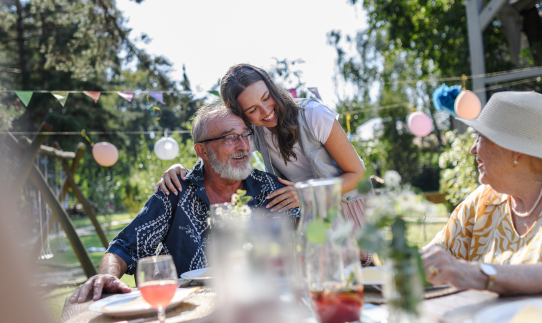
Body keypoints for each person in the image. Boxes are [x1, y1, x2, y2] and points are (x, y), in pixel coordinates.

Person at [69, 104, 299, 303]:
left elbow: (315, 231)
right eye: (229, 137)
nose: (243, 146)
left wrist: (308, 201)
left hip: (257, 305)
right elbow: (126, 247)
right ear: (202, 151)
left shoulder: (271, 189)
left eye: (245, 135)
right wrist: (107, 274)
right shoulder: (176, 189)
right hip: (185, 310)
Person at [156, 64, 369, 261]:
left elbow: (358, 175)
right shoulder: (254, 131)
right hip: (310, 217)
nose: (266, 111)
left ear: (272, 88)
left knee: (365, 285)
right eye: (252, 110)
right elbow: (217, 152)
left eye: (267, 98)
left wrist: (306, 193)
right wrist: (179, 169)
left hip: (348, 207)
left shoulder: (314, 115)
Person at [422, 91, 542, 295]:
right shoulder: (484, 200)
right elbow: (434, 256)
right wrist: (372, 257)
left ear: (515, 150)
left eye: (481, 137)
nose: (473, 149)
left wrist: (476, 273)